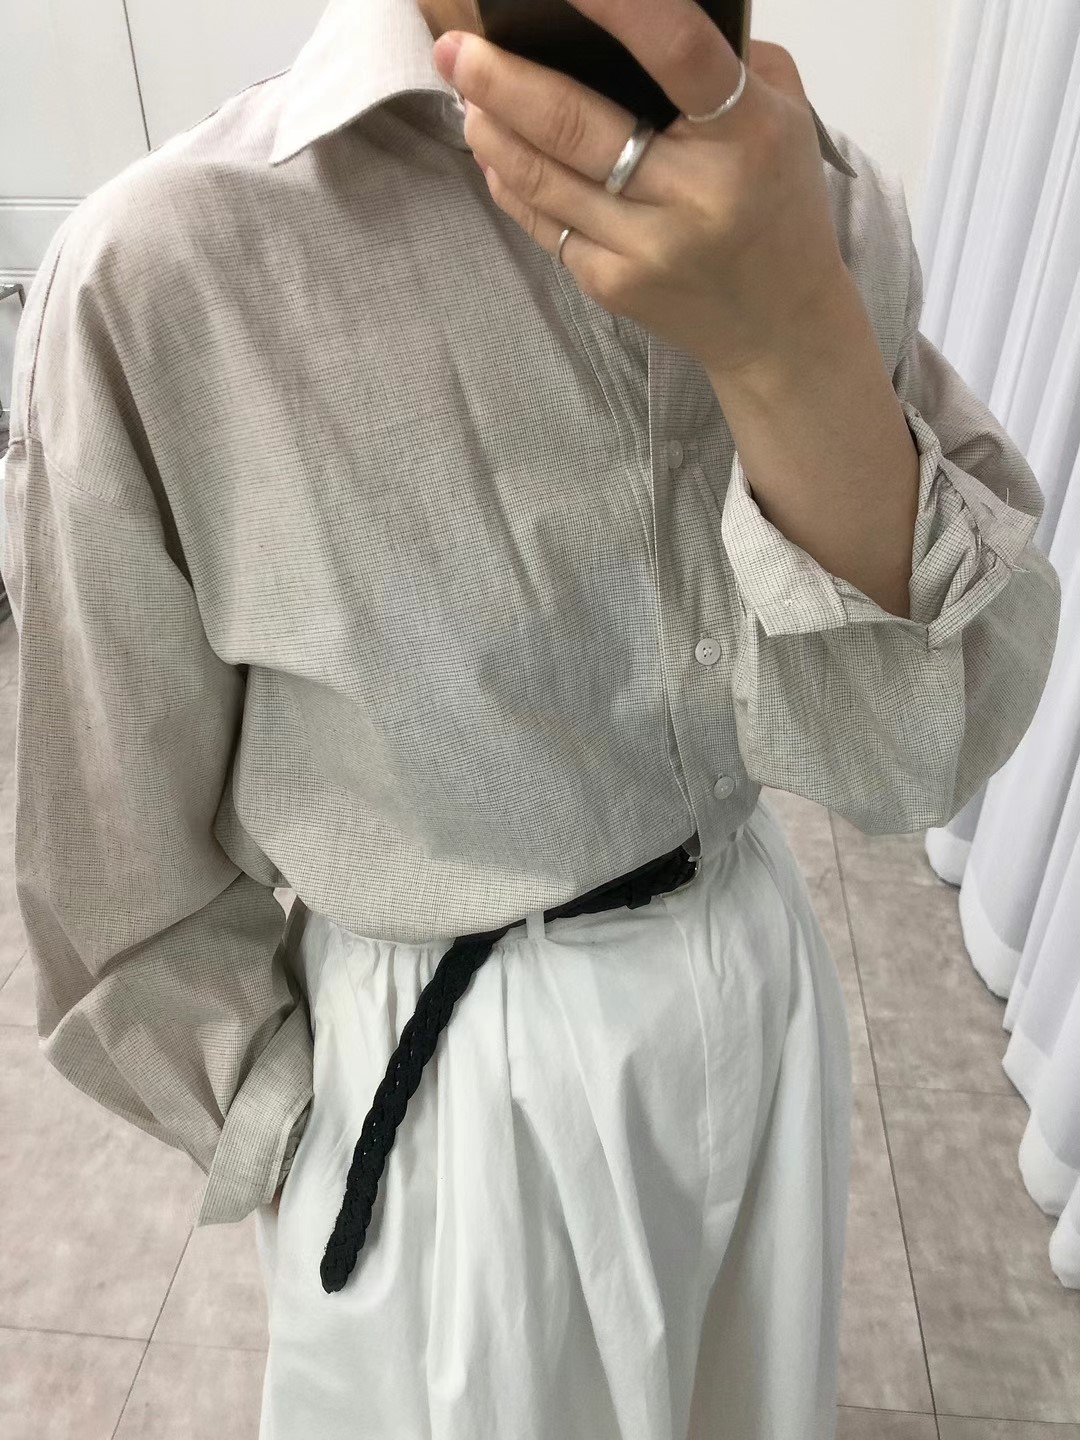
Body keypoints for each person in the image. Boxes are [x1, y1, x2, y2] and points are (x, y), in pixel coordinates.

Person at [1, 0, 1060, 1435]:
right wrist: (302, 1130)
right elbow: (110, 860)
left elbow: (913, 762)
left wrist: (790, 344)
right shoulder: (170, 266)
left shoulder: (811, 194)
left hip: (758, 973)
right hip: (450, 1086)